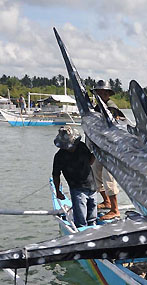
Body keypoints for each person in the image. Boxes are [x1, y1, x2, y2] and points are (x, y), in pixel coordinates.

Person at [52, 126, 97, 228]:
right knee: (81, 221)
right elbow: (56, 175)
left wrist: (96, 152)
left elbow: (90, 161)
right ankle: (82, 234)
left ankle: (93, 228)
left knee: (92, 218)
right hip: (77, 189)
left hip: (92, 186)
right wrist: (58, 191)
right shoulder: (59, 156)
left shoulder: (81, 146)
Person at [91, 80, 121, 220]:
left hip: (109, 148)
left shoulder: (110, 107)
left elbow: (115, 122)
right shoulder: (97, 106)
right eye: (99, 92)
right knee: (96, 172)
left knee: (108, 177)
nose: (102, 94)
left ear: (108, 94)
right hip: (98, 146)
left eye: (104, 92)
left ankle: (115, 209)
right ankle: (106, 201)